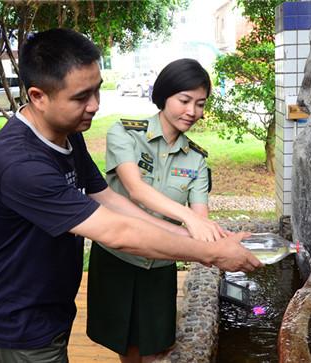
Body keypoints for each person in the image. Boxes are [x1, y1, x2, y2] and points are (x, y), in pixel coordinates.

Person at [0, 29, 261, 363]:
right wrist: (211, 255)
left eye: (96, 90)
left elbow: (107, 198)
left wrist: (199, 237)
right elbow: (118, 233)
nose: (95, 105)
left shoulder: (66, 134)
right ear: (38, 96)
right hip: (18, 319)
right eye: (82, 97)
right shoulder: (21, 165)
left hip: (49, 306)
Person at [86, 58, 224, 363]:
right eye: (184, 100)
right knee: (126, 345)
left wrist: (222, 243)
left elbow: (199, 219)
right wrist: (186, 216)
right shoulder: (125, 134)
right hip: (118, 256)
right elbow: (135, 189)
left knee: (157, 347)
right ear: (164, 96)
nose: (192, 112)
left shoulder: (197, 160)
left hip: (160, 266)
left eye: (200, 104)